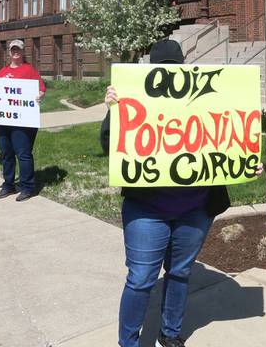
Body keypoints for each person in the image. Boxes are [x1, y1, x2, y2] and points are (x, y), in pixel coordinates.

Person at [101, 39, 232, 347]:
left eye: (175, 68)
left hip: (196, 208)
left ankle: (170, 334)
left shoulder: (203, 100)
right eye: (164, 69)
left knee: (180, 273)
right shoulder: (138, 98)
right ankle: (129, 342)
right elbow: (109, 145)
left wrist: (245, 163)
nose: (170, 74)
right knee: (141, 279)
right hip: (147, 208)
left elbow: (228, 138)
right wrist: (113, 110)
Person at [0, 39, 45, 202]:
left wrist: (40, 95)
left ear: (23, 52)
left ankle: (27, 187)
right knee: (6, 153)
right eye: (13, 49)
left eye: (18, 49)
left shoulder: (29, 70)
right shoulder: (2, 72)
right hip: (4, 121)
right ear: (9, 52)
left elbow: (41, 89)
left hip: (23, 121)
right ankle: (9, 184)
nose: (15, 52)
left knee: (23, 153)